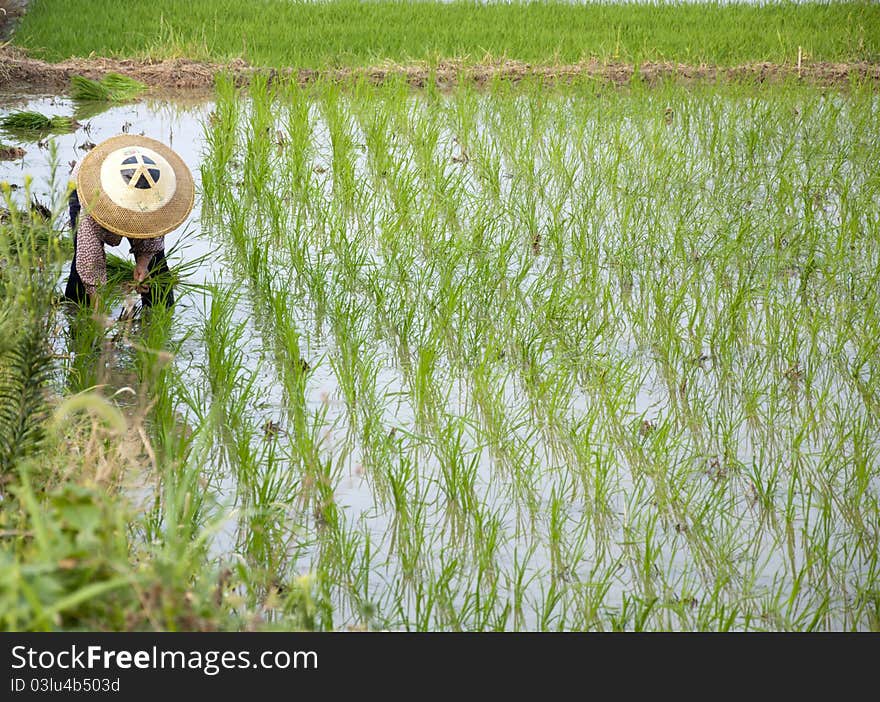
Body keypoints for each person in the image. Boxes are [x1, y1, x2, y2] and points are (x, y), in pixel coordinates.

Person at [63, 134, 194, 309]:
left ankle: (158, 313)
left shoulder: (157, 194)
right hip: (85, 184)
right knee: (81, 271)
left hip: (137, 172)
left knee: (156, 266)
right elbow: (89, 257)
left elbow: (154, 234)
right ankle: (75, 311)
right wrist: (97, 307)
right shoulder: (94, 199)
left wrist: (142, 265)